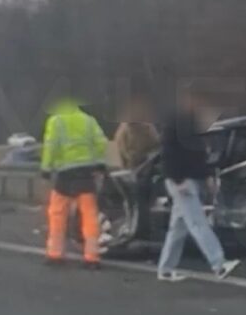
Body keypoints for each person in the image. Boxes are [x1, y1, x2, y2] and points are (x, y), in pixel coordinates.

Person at [156, 87, 240, 282]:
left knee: (178, 228)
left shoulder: (192, 124)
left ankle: (165, 269)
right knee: (198, 222)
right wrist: (178, 180)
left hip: (188, 179)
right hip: (182, 181)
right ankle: (219, 264)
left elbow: (199, 155)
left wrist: (208, 175)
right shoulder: (175, 125)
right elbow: (168, 155)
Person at [39, 97, 109, 269]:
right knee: (90, 215)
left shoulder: (56, 121)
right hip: (86, 173)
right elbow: (101, 142)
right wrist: (98, 162)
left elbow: (51, 146)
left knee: (57, 213)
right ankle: (92, 257)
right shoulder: (88, 120)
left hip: (65, 174)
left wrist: (46, 168)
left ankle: (55, 254)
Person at [112, 95, 160, 170]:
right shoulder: (125, 131)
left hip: (146, 167)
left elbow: (156, 145)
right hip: (136, 170)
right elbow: (128, 156)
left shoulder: (146, 126)